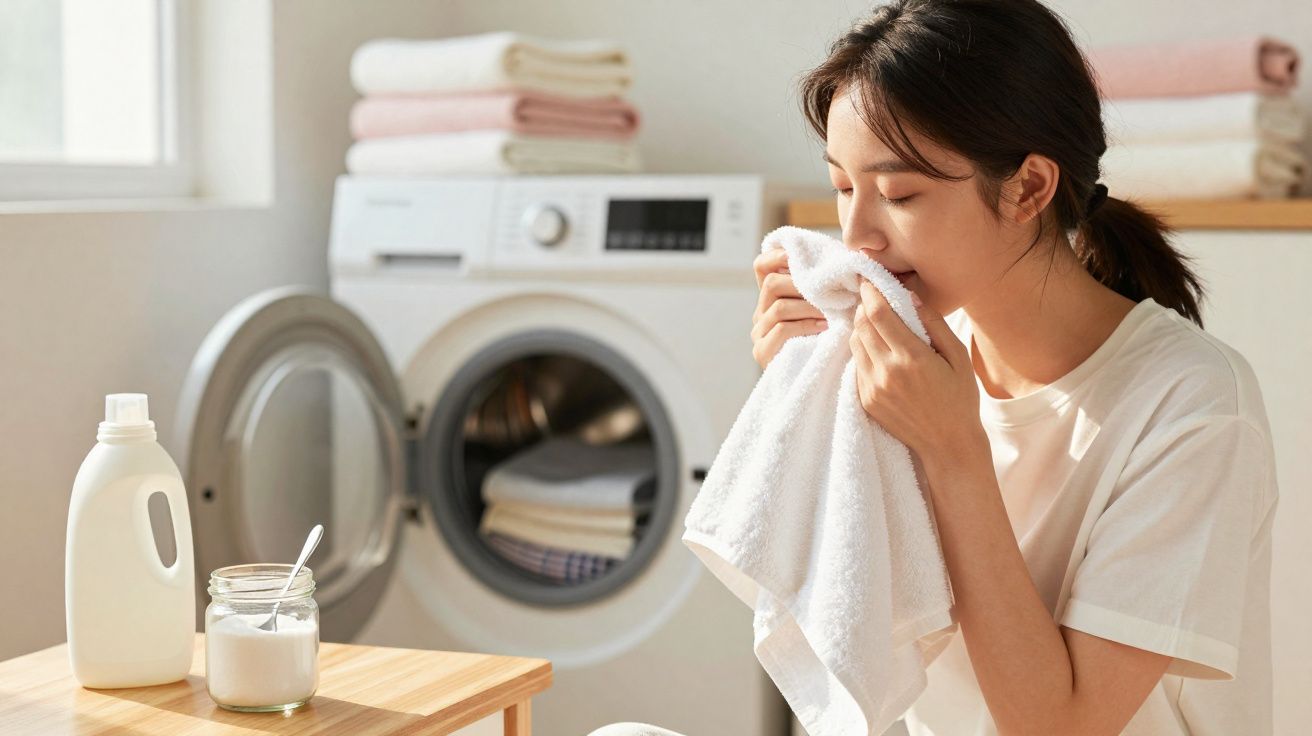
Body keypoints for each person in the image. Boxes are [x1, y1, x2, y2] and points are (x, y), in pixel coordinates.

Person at [747, 1, 1278, 734]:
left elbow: (1058, 725)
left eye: (900, 194)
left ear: (1029, 187)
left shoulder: (1193, 406)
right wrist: (804, 404)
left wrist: (955, 450)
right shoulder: (902, 360)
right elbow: (844, 618)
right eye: (843, 187)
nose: (857, 237)